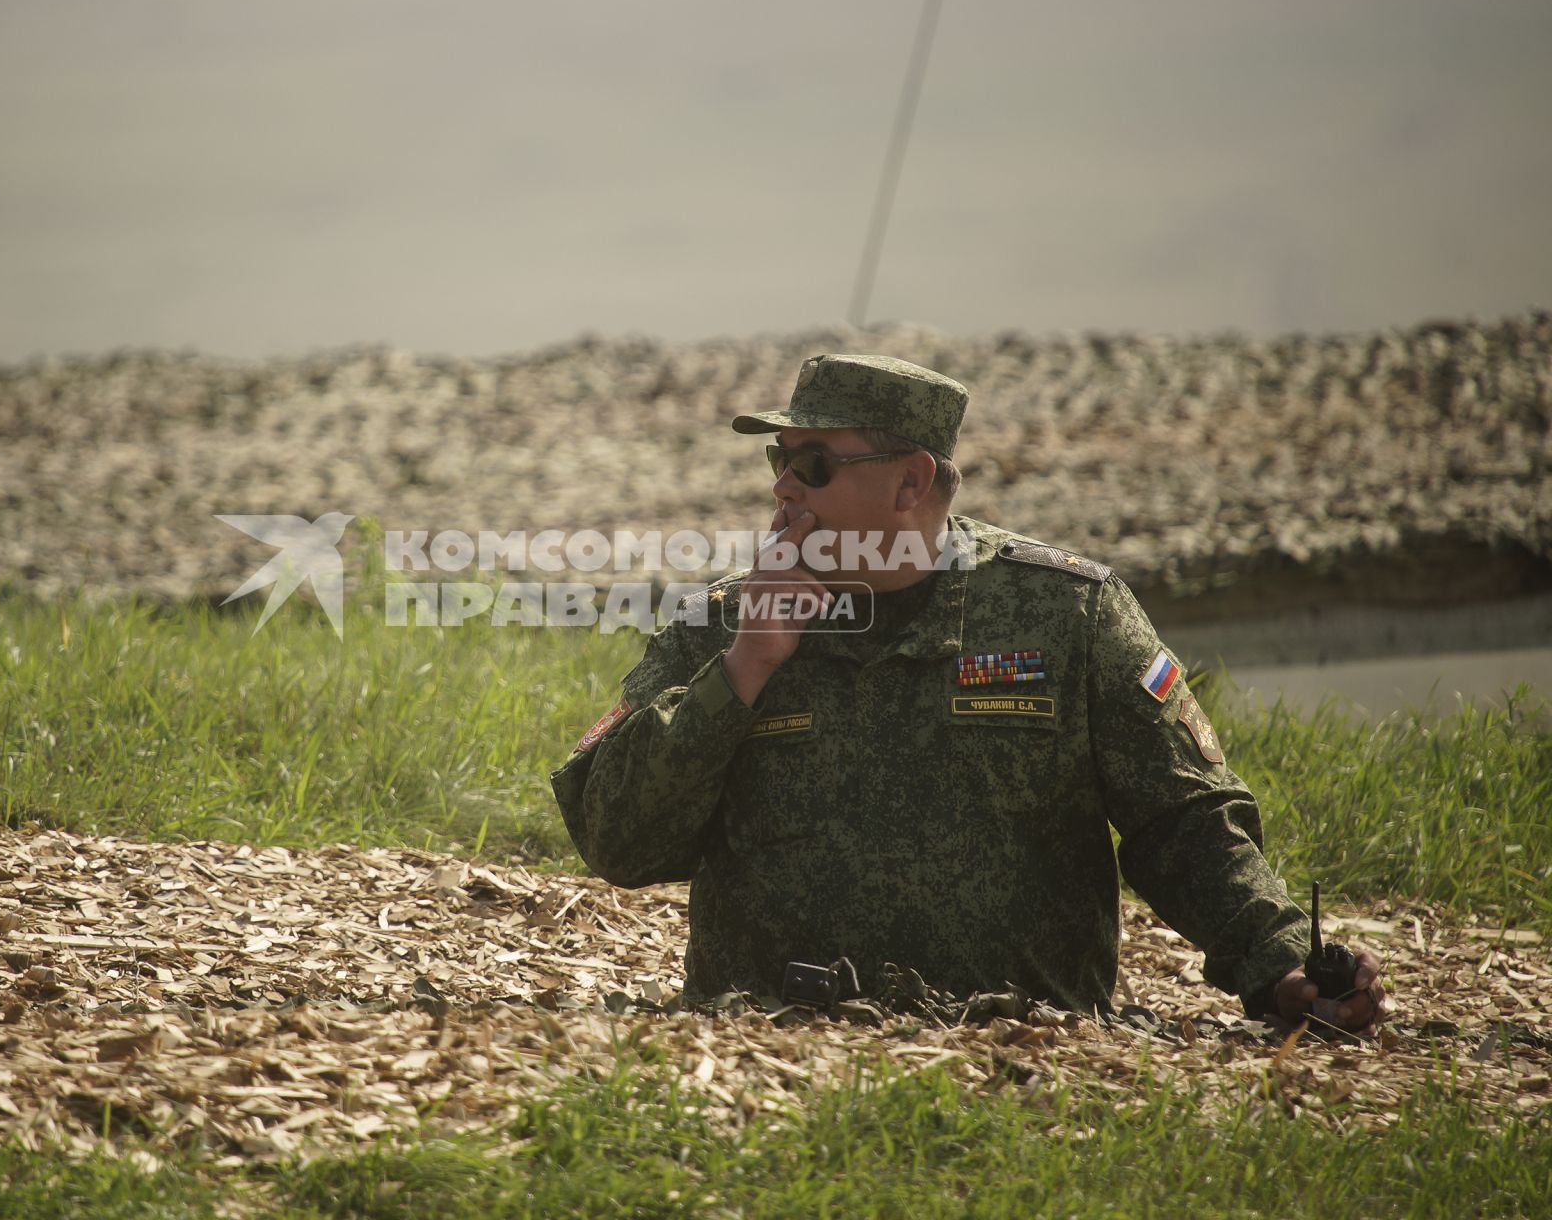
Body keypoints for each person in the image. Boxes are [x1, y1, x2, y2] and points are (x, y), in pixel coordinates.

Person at [551, 353, 1387, 1031]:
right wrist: (742, 670)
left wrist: (1277, 959)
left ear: (911, 484)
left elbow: (1184, 825)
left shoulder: (1069, 615)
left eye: (811, 464)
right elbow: (615, 840)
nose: (783, 488)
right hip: (762, 1052)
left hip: (1026, 1058)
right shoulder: (724, 622)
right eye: (779, 460)